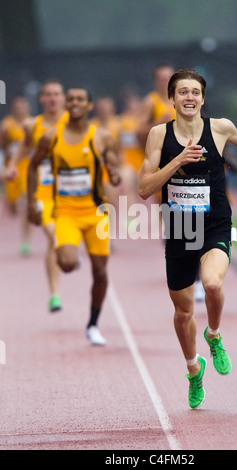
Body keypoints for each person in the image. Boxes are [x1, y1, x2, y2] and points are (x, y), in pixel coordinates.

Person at [138, 68, 237, 409]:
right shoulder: (159, 135)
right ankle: (194, 370)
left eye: (195, 92)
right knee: (183, 312)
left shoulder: (220, 128)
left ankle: (215, 336)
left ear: (202, 99)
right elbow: (145, 189)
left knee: (214, 285)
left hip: (215, 224)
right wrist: (178, 160)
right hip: (178, 230)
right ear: (171, 99)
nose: (189, 97)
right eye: (182, 92)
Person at [27, 87, 121, 346]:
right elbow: (33, 166)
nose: (74, 102)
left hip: (95, 214)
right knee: (67, 264)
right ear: (66, 105)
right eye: (70, 99)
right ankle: (71, 253)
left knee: (100, 273)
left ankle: (92, 324)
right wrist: (30, 203)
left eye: (80, 99)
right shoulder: (51, 137)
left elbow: (115, 167)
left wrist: (114, 176)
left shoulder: (101, 137)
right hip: (65, 212)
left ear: (89, 105)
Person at [8, 79, 68, 312]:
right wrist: (12, 165)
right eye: (48, 94)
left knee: (62, 241)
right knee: (53, 236)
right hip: (45, 192)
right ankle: (54, 294)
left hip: (73, 193)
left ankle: (69, 252)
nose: (52, 98)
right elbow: (24, 147)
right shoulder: (33, 125)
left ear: (63, 98)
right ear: (42, 99)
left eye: (57, 93)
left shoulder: (75, 122)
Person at [0, 95, 32, 255]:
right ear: (13, 109)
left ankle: (25, 241)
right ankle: (10, 202)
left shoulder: (32, 124)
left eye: (23, 107)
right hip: (11, 169)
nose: (20, 110)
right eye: (17, 107)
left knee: (26, 203)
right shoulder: (6, 125)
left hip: (27, 168)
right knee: (13, 209)